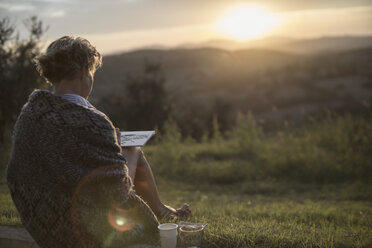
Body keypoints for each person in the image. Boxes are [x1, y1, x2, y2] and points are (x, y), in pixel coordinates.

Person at [6, 36, 191, 248]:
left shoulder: (29, 116)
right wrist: (116, 146)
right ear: (85, 70)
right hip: (84, 232)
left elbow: (61, 161)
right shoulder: (92, 122)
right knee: (134, 149)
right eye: (92, 72)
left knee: (128, 149)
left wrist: (109, 146)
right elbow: (117, 195)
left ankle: (161, 209)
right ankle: (160, 212)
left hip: (43, 226)